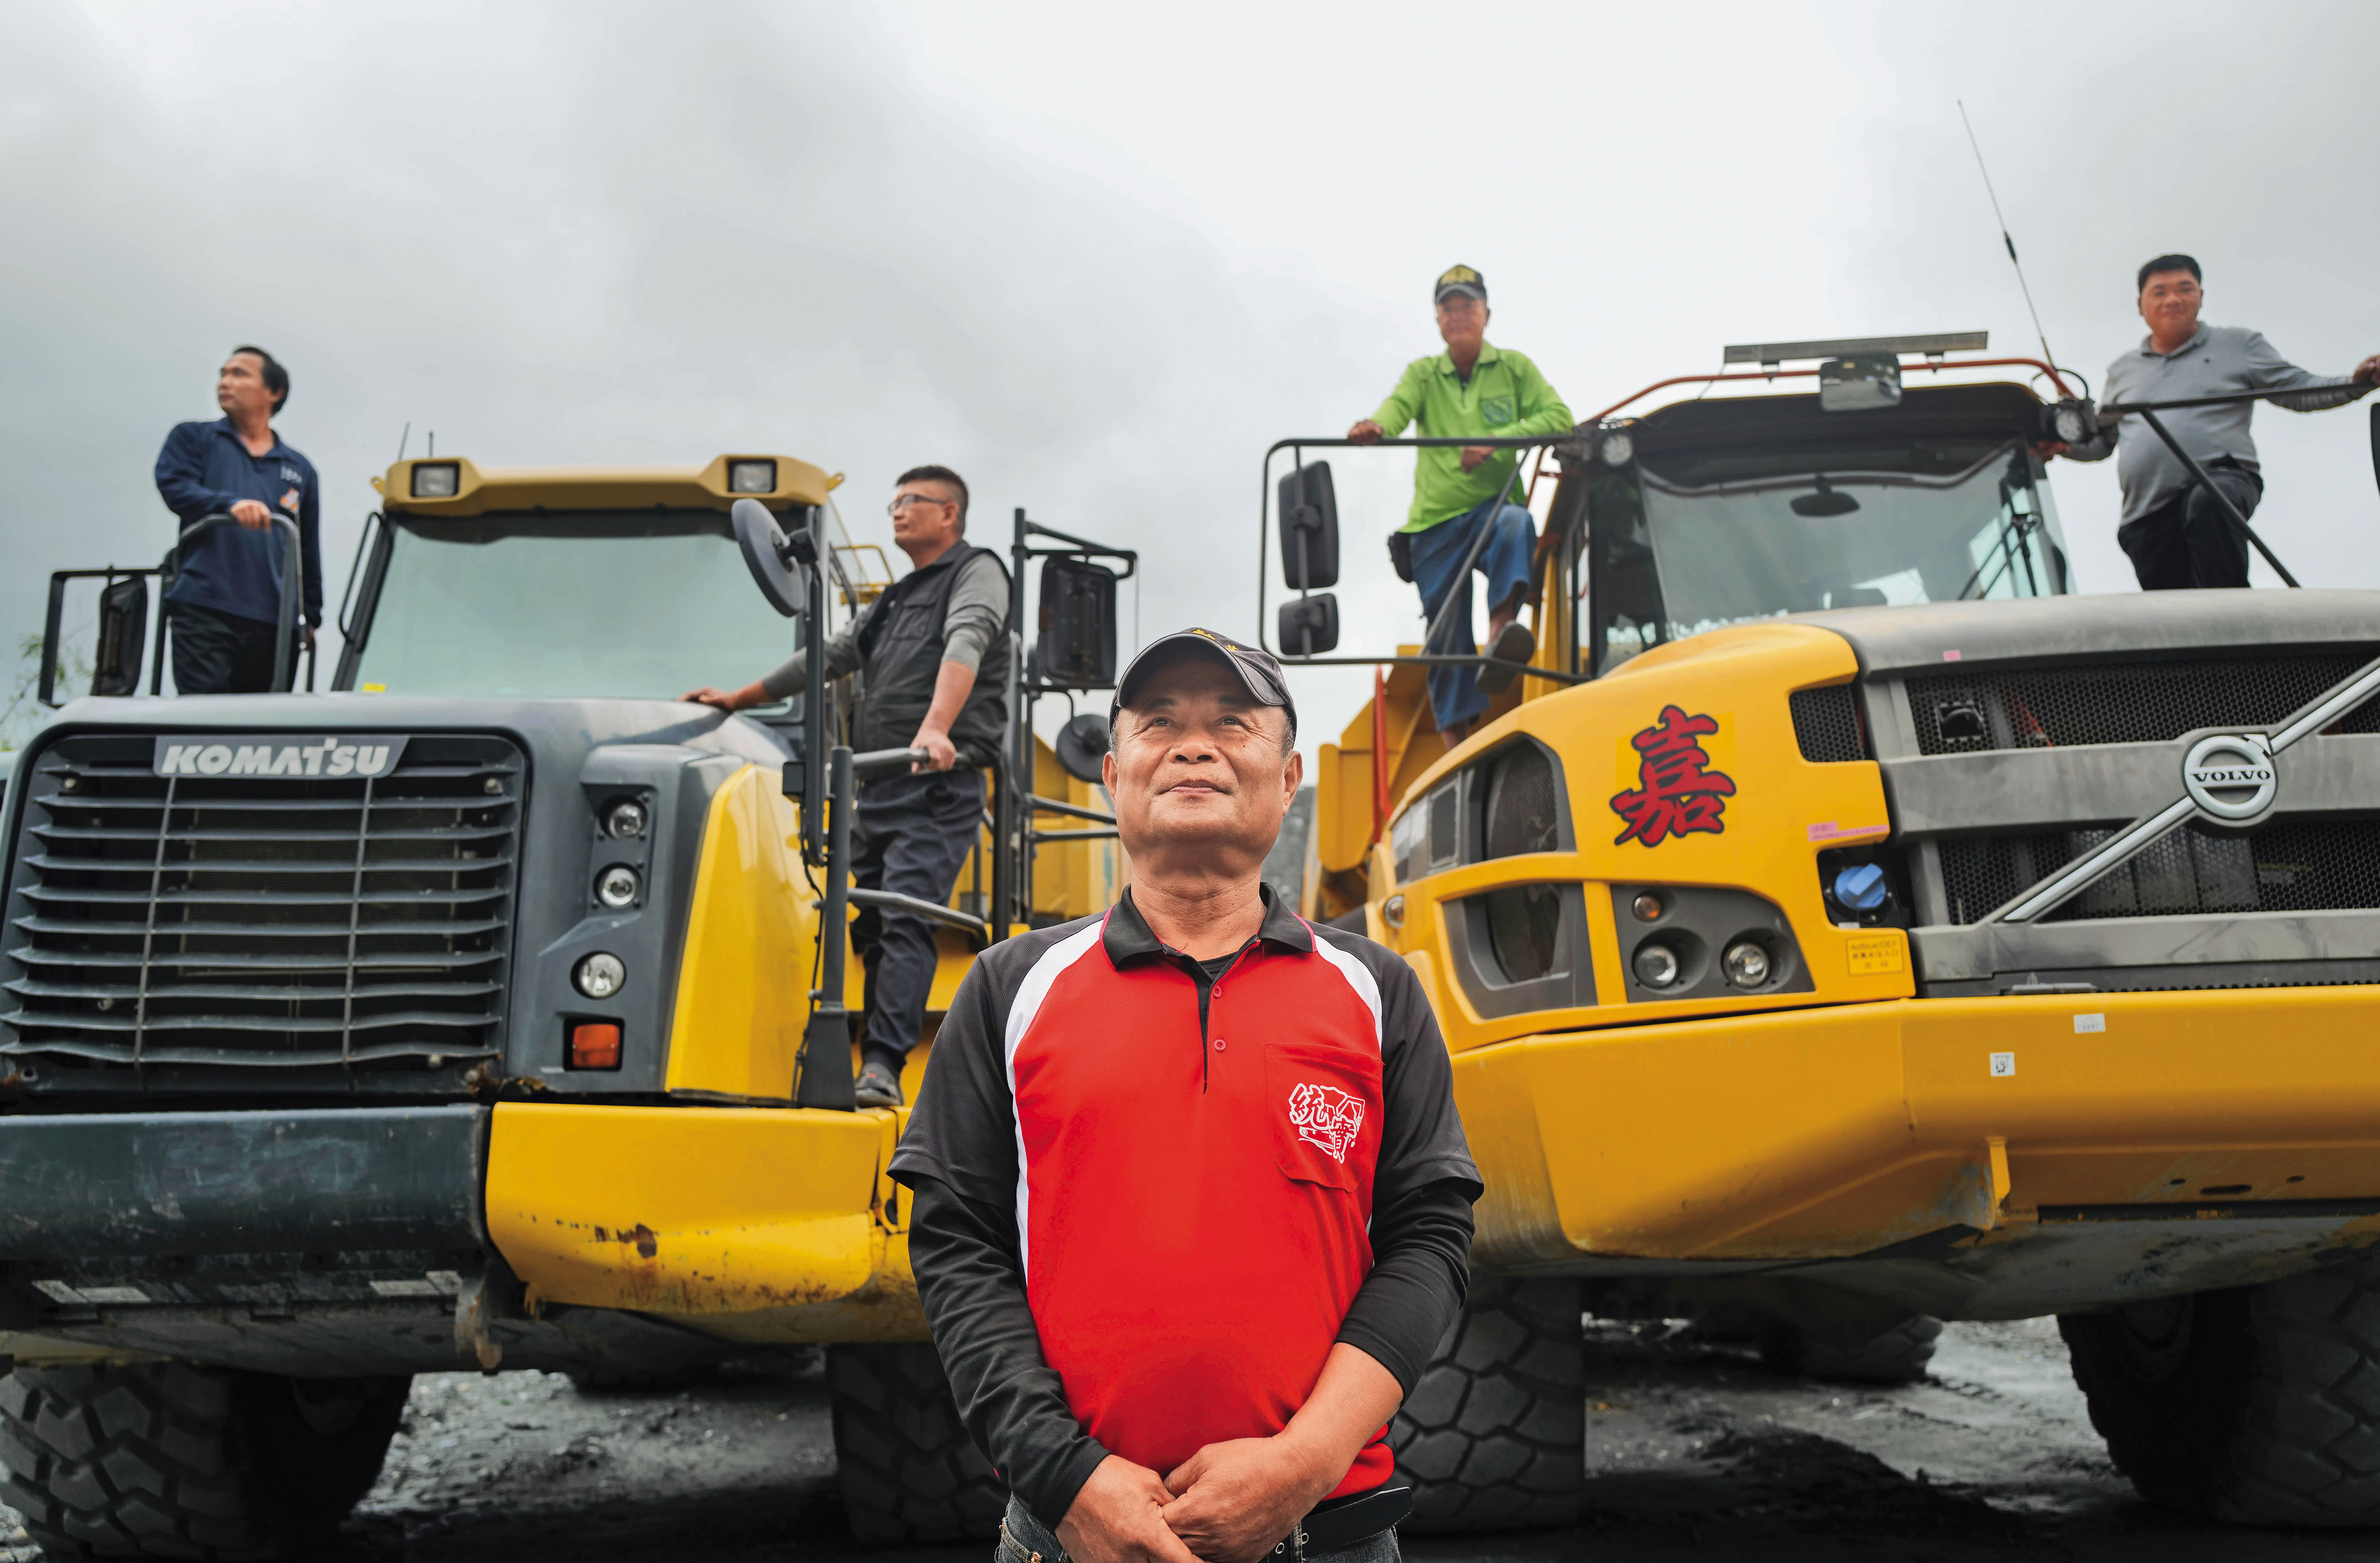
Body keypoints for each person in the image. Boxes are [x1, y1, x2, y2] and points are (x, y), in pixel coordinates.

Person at [891, 628, 1480, 1563]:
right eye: (1159, 721)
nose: (1194, 744)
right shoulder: (1010, 987)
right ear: (1112, 773)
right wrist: (1062, 1471)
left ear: (1288, 778)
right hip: (1070, 1533)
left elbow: (1428, 1235)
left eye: (1231, 723)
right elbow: (957, 1244)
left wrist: (1305, 1458)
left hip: (1327, 1531)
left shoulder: (1377, 991)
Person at [683, 465, 1006, 1109]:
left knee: (906, 909)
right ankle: (858, 1038)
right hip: (878, 782)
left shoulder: (979, 573)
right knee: (853, 914)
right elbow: (826, 658)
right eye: (893, 502)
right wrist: (739, 697)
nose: (896, 511)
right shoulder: (892, 599)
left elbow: (967, 637)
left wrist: (935, 729)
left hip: (937, 781)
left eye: (911, 501)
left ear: (949, 514)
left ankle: (883, 1064)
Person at [2048, 254, 2379, 590]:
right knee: (2174, 618)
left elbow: (2296, 390)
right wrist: (2060, 445)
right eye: (2159, 292)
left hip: (2223, 479)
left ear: (2201, 297)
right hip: (2146, 513)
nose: (2172, 299)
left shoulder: (2238, 345)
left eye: (2184, 289)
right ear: (2140, 305)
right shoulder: (2122, 370)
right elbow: (2101, 442)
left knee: (2208, 503)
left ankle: (2239, 622)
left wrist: (2355, 383)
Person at [1350, 265, 1573, 744]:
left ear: (1486, 313)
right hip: (1433, 524)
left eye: (1467, 305)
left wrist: (1496, 441)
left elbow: (1559, 416)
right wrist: (1378, 427)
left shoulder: (1514, 368)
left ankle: (1499, 634)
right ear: (1437, 319)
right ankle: (1456, 748)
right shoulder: (1424, 374)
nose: (1458, 315)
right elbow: (1397, 408)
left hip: (1490, 513)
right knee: (1445, 631)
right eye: (1448, 307)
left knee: (1517, 522)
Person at [152, 347, 323, 694]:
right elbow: (175, 487)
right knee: (204, 722)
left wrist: (311, 615)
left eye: (239, 374)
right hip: (205, 607)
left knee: (264, 731)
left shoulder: (299, 468)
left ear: (273, 392)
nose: (225, 382)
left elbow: (306, 546)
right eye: (223, 373)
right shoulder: (193, 439)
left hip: (275, 620)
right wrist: (228, 505)